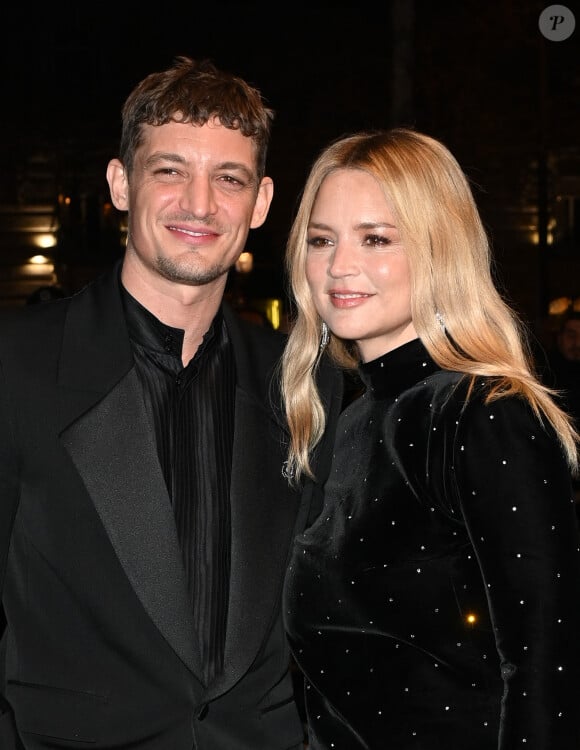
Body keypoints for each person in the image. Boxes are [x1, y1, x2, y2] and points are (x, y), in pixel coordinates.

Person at [0, 56, 342, 749]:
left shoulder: (304, 378)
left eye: (229, 178)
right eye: (170, 171)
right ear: (121, 184)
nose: (199, 204)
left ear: (263, 201)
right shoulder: (18, 364)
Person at [280, 128, 580, 749]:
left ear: (440, 249)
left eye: (377, 239)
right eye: (321, 240)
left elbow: (547, 665)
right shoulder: (355, 418)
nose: (340, 266)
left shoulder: (484, 413)